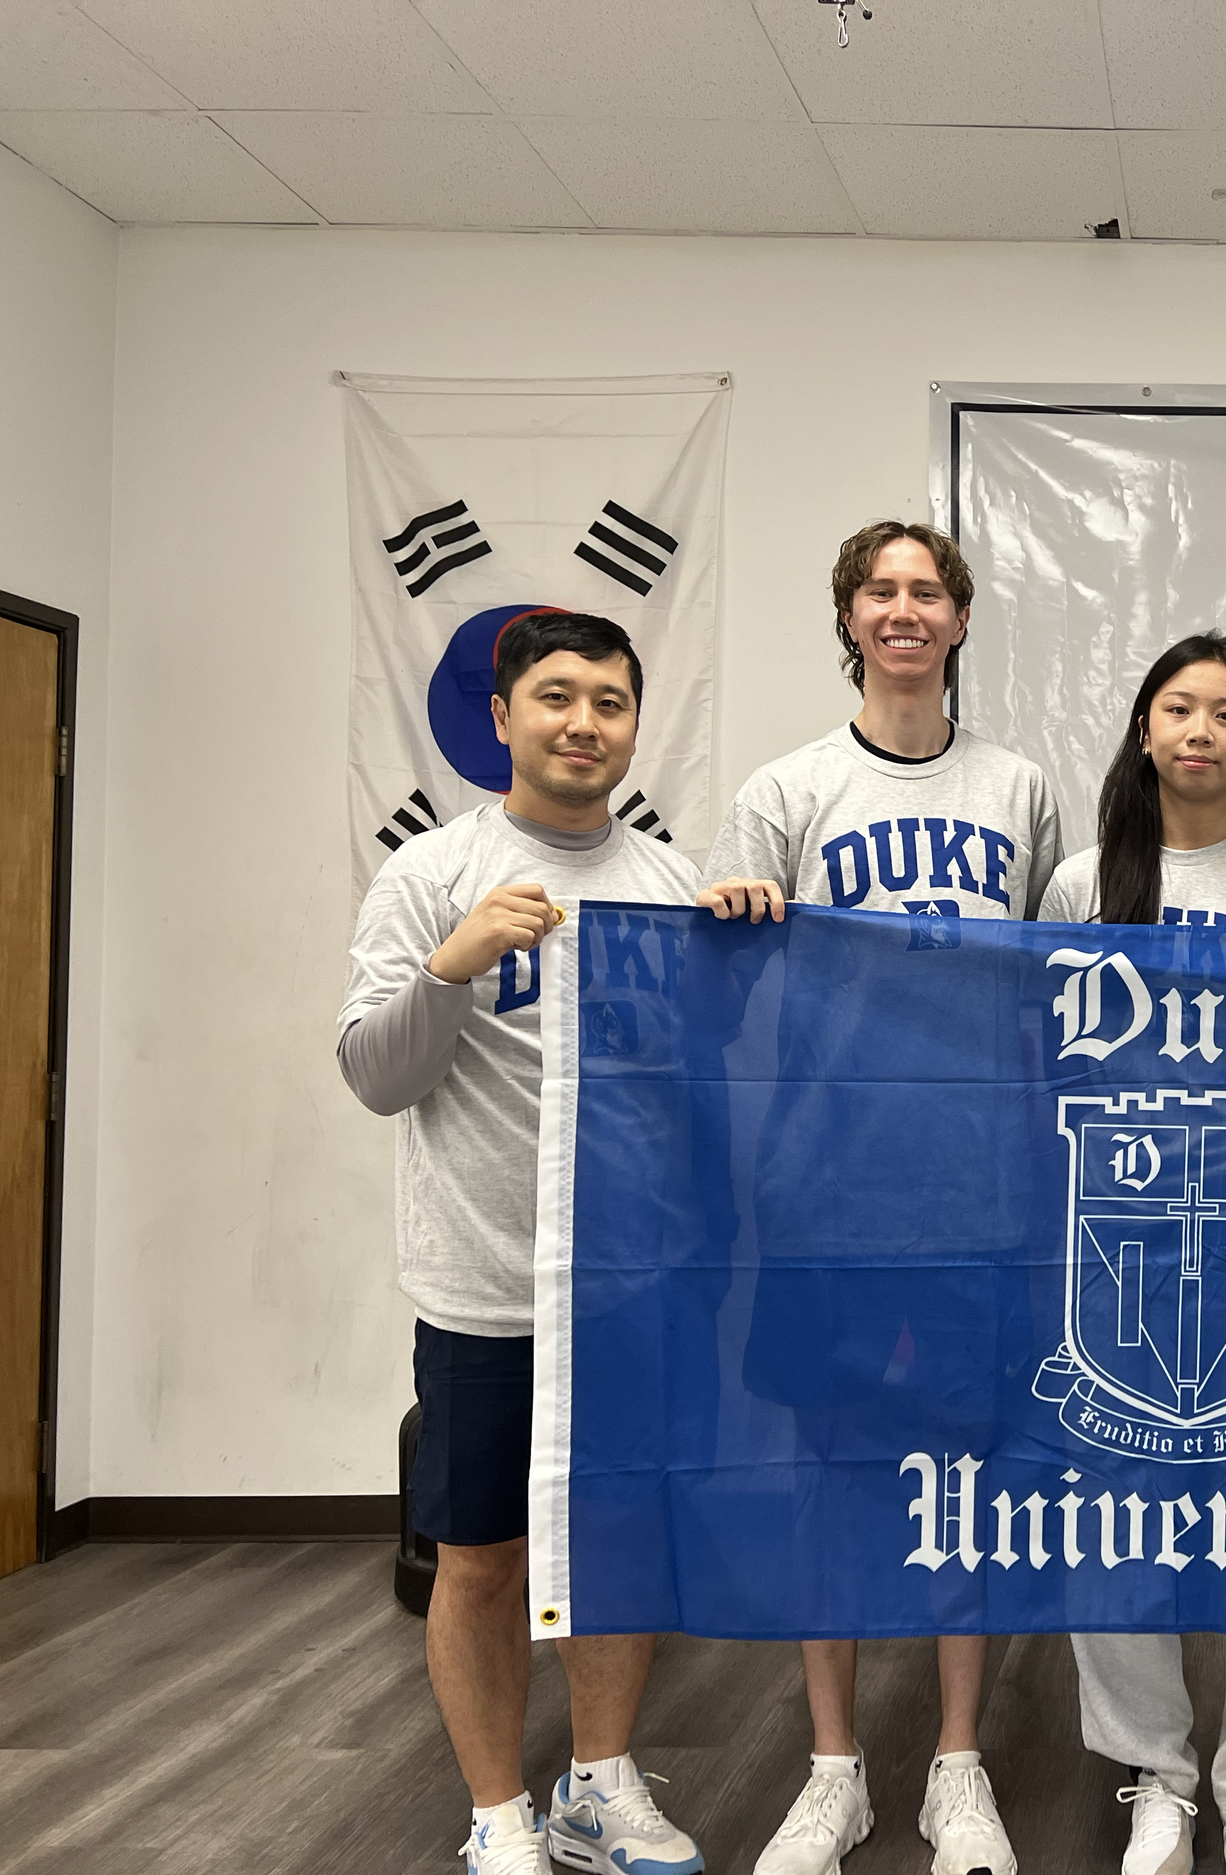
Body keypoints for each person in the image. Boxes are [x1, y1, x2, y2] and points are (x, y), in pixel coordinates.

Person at [702, 519, 1059, 1875]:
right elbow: (727, 990)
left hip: (974, 1182)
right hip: (827, 1185)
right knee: (833, 1470)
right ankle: (835, 1765)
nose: (903, 610)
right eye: (879, 591)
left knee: (966, 1463)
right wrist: (729, 912)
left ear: (960, 622)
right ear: (849, 618)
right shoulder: (785, 790)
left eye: (927, 591)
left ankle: (957, 1764)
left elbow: (1040, 988)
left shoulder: (1020, 786)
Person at [338, 612, 705, 1875]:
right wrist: (450, 968)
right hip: (486, 1284)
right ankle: (498, 1810)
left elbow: (710, 1085)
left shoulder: (667, 880)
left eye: (610, 701)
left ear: (633, 729)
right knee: (483, 1557)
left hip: (630, 1287)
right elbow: (373, 1078)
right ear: (502, 719)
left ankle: (597, 1790)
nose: (583, 722)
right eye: (557, 697)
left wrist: (753, 938)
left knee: (614, 1546)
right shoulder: (432, 874)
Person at [1038, 634, 1226, 1875]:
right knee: (1117, 1524)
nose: (1201, 731)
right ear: (1146, 731)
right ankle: (1154, 1771)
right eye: (1179, 709)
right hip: (1112, 1233)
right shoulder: (1076, 882)